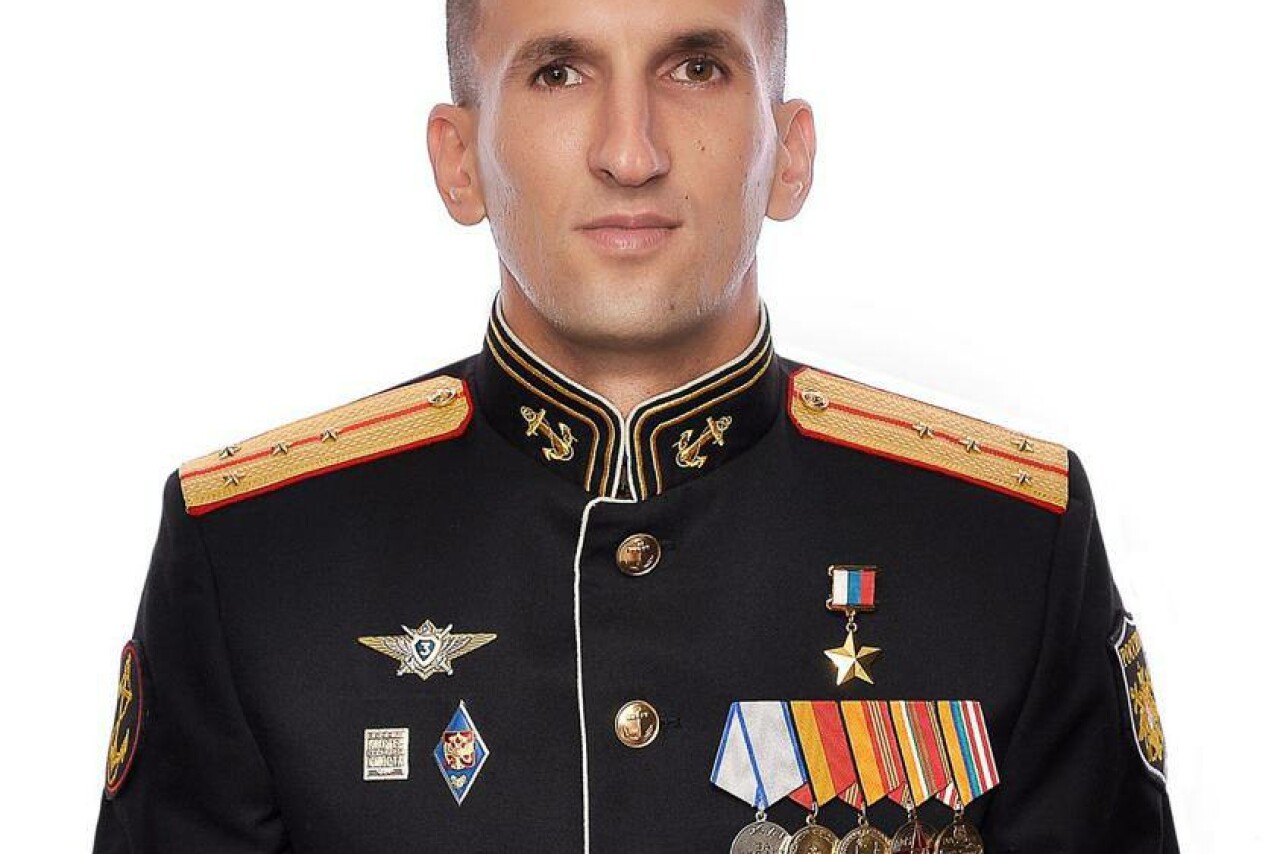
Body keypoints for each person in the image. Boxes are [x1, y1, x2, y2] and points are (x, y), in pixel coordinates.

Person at [92, 1, 1179, 852]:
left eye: (694, 67)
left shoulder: (1005, 544)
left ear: (789, 151)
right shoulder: (255, 558)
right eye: (558, 72)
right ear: (458, 160)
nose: (629, 150)